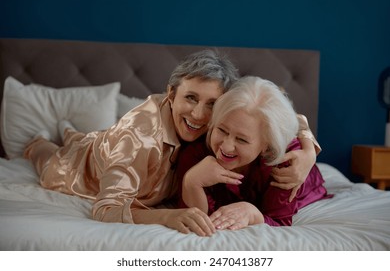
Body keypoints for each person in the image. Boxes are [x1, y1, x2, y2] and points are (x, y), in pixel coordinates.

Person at [23, 50, 319, 237]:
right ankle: (42, 140)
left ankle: (72, 132)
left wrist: (308, 151)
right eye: (190, 98)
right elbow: (106, 208)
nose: (199, 115)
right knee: (50, 157)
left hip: (107, 141)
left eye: (212, 104)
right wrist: (166, 216)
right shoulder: (138, 140)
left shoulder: (220, 122)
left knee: (85, 136)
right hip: (82, 166)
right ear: (170, 93)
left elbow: (273, 113)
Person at [177, 76, 330, 231]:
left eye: (242, 140)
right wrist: (192, 182)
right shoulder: (195, 153)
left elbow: (280, 221)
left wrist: (253, 214)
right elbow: (199, 220)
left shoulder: (284, 163)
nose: (227, 147)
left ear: (266, 146)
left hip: (301, 184)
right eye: (221, 130)